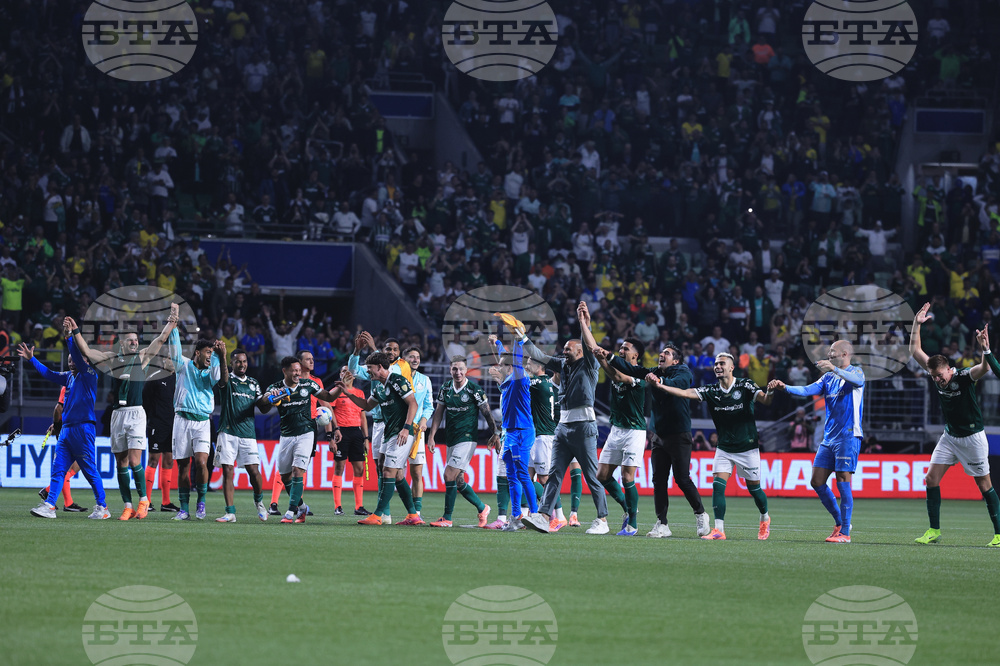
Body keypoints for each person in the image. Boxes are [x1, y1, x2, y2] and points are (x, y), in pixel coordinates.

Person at [651, 353, 774, 540]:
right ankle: (719, 530)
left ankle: (764, 518)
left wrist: (771, 390)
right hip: (724, 448)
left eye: (722, 363)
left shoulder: (745, 385)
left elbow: (766, 400)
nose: (717, 366)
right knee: (718, 485)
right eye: (716, 363)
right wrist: (660, 385)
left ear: (731, 367)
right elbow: (686, 393)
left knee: (754, 489)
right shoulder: (712, 390)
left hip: (747, 447)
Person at [67, 313, 178, 520]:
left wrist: (171, 323)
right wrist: (75, 331)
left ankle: (144, 500)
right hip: (118, 414)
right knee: (121, 462)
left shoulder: (142, 357)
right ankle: (128, 506)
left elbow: (160, 339)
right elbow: (87, 351)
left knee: (135, 461)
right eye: (131, 341)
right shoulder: (112, 359)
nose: (135, 343)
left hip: (136, 413)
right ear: (122, 343)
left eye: (136, 340)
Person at [599, 342, 710, 538]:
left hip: (679, 434)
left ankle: (701, 514)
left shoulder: (682, 372)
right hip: (658, 435)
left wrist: (657, 381)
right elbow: (633, 369)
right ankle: (662, 523)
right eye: (661, 352)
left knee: (682, 479)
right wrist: (609, 357)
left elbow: (678, 385)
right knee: (658, 481)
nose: (661, 355)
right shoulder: (655, 372)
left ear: (675, 360)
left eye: (666, 353)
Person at [911, 306, 1000, 547]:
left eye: (940, 375)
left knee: (984, 486)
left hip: (972, 438)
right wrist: (917, 324)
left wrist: (985, 349)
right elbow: (915, 350)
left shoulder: (963, 376)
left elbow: (985, 369)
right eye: (934, 377)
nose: (938, 380)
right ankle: (934, 531)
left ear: (949, 370)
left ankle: (999, 535)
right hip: (950, 437)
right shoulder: (934, 372)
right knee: (931, 479)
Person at [521, 302, 609, 535]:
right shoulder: (562, 364)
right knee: (554, 474)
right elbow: (539, 355)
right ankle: (543, 516)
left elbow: (590, 345)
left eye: (569, 349)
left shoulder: (590, 364)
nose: (564, 352)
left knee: (591, 474)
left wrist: (584, 324)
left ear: (580, 352)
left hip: (584, 427)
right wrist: (522, 337)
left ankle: (602, 519)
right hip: (562, 427)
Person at [770, 340, 865, 543]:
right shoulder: (828, 378)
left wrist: (833, 368)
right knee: (817, 481)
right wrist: (785, 387)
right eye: (829, 353)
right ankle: (840, 523)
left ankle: (846, 533)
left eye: (833, 352)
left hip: (848, 436)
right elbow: (806, 391)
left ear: (845, 354)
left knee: (843, 481)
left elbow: (856, 382)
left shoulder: (856, 373)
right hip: (829, 438)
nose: (829, 355)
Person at [26, 319, 110, 520]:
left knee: (90, 471)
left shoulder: (89, 374)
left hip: (83, 429)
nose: (71, 363)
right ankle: (49, 506)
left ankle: (102, 507)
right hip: (66, 430)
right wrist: (32, 359)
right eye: (69, 360)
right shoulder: (69, 377)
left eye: (75, 360)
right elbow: (50, 374)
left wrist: (68, 336)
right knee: (58, 469)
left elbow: (79, 361)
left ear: (85, 361)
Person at [339, 351, 423, 526]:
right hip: (389, 433)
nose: (368, 372)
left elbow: (413, 403)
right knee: (395, 473)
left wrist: (406, 428)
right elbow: (367, 405)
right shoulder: (378, 387)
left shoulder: (397, 380)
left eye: (370, 368)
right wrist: (348, 392)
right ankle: (413, 515)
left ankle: (378, 515)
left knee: (387, 472)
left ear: (379, 367)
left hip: (402, 433)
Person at [265, 355, 343, 524]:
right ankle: (301, 507)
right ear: (284, 371)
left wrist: (340, 388)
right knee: (285, 477)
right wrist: (272, 398)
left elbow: (328, 397)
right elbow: (265, 403)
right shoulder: (275, 388)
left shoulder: (308, 384)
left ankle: (290, 512)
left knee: (297, 471)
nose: (297, 374)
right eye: (294, 371)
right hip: (286, 435)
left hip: (306, 433)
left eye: (299, 371)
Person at [584, 333, 647, 536]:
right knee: (602, 475)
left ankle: (633, 524)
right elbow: (594, 347)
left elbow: (617, 377)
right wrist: (584, 322)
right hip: (616, 430)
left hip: (634, 431)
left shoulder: (640, 374)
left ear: (636, 355)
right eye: (621, 347)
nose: (621, 350)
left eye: (626, 348)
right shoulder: (616, 367)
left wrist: (604, 359)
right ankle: (629, 509)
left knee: (627, 477)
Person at [426, 355, 497, 528]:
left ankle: (447, 518)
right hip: (451, 438)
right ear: (450, 369)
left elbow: (487, 413)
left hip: (467, 438)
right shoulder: (445, 388)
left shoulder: (474, 389)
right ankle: (483, 508)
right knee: (458, 481)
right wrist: (431, 435)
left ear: (466, 370)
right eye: (454, 369)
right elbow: (439, 412)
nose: (458, 372)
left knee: (448, 474)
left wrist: (495, 433)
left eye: (461, 369)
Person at [167, 317, 225, 521]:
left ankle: (201, 502)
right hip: (181, 420)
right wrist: (173, 327)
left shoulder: (210, 371)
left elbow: (218, 378)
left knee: (201, 462)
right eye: (207, 353)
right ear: (197, 353)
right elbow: (174, 348)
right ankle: (184, 509)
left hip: (202, 422)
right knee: (183, 465)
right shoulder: (183, 365)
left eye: (211, 353)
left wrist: (218, 355)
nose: (210, 356)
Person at [215, 349, 272, 523]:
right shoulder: (227, 379)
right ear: (232, 363)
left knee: (254, 472)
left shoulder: (253, 383)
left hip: (248, 433)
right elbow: (223, 378)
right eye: (238, 361)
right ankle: (230, 512)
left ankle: (259, 502)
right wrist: (222, 356)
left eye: (245, 361)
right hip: (227, 431)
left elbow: (262, 407)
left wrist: (269, 399)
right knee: (227, 470)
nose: (242, 364)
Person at [489, 335, 536, 531]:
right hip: (509, 433)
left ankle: (536, 514)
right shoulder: (508, 380)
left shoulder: (519, 378)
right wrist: (498, 343)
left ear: (510, 367)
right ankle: (516, 516)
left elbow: (513, 359)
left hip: (521, 432)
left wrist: (518, 338)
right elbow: (505, 357)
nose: (498, 367)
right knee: (511, 476)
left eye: (501, 365)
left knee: (523, 474)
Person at [37, 387, 88, 512]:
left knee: (74, 465)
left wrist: (57, 424)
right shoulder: (70, 385)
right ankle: (54, 494)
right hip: (71, 431)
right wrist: (58, 425)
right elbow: (59, 408)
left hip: (74, 428)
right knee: (78, 462)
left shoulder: (79, 383)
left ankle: (58, 496)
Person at [330, 366, 370, 515]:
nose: (346, 374)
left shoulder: (359, 393)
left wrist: (366, 438)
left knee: (359, 469)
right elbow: (330, 412)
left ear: (354, 376)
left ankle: (359, 506)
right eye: (342, 371)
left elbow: (363, 417)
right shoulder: (335, 392)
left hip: (356, 432)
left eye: (349, 372)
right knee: (339, 467)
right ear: (340, 375)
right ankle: (337, 506)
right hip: (342, 432)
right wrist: (335, 430)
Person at [403, 346, 434, 517]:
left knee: (416, 472)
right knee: (396, 472)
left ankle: (416, 512)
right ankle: (385, 512)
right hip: (399, 430)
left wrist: (424, 420)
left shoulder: (425, 380)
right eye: (411, 356)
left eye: (418, 357)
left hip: (416, 432)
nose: (415, 360)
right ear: (404, 359)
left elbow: (429, 405)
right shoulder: (397, 377)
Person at [143, 361, 179, 511]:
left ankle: (166, 502)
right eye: (169, 359)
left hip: (174, 425)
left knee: (169, 460)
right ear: (163, 361)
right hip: (157, 425)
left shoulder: (179, 379)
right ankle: (146, 501)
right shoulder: (154, 378)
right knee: (153, 459)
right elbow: (145, 401)